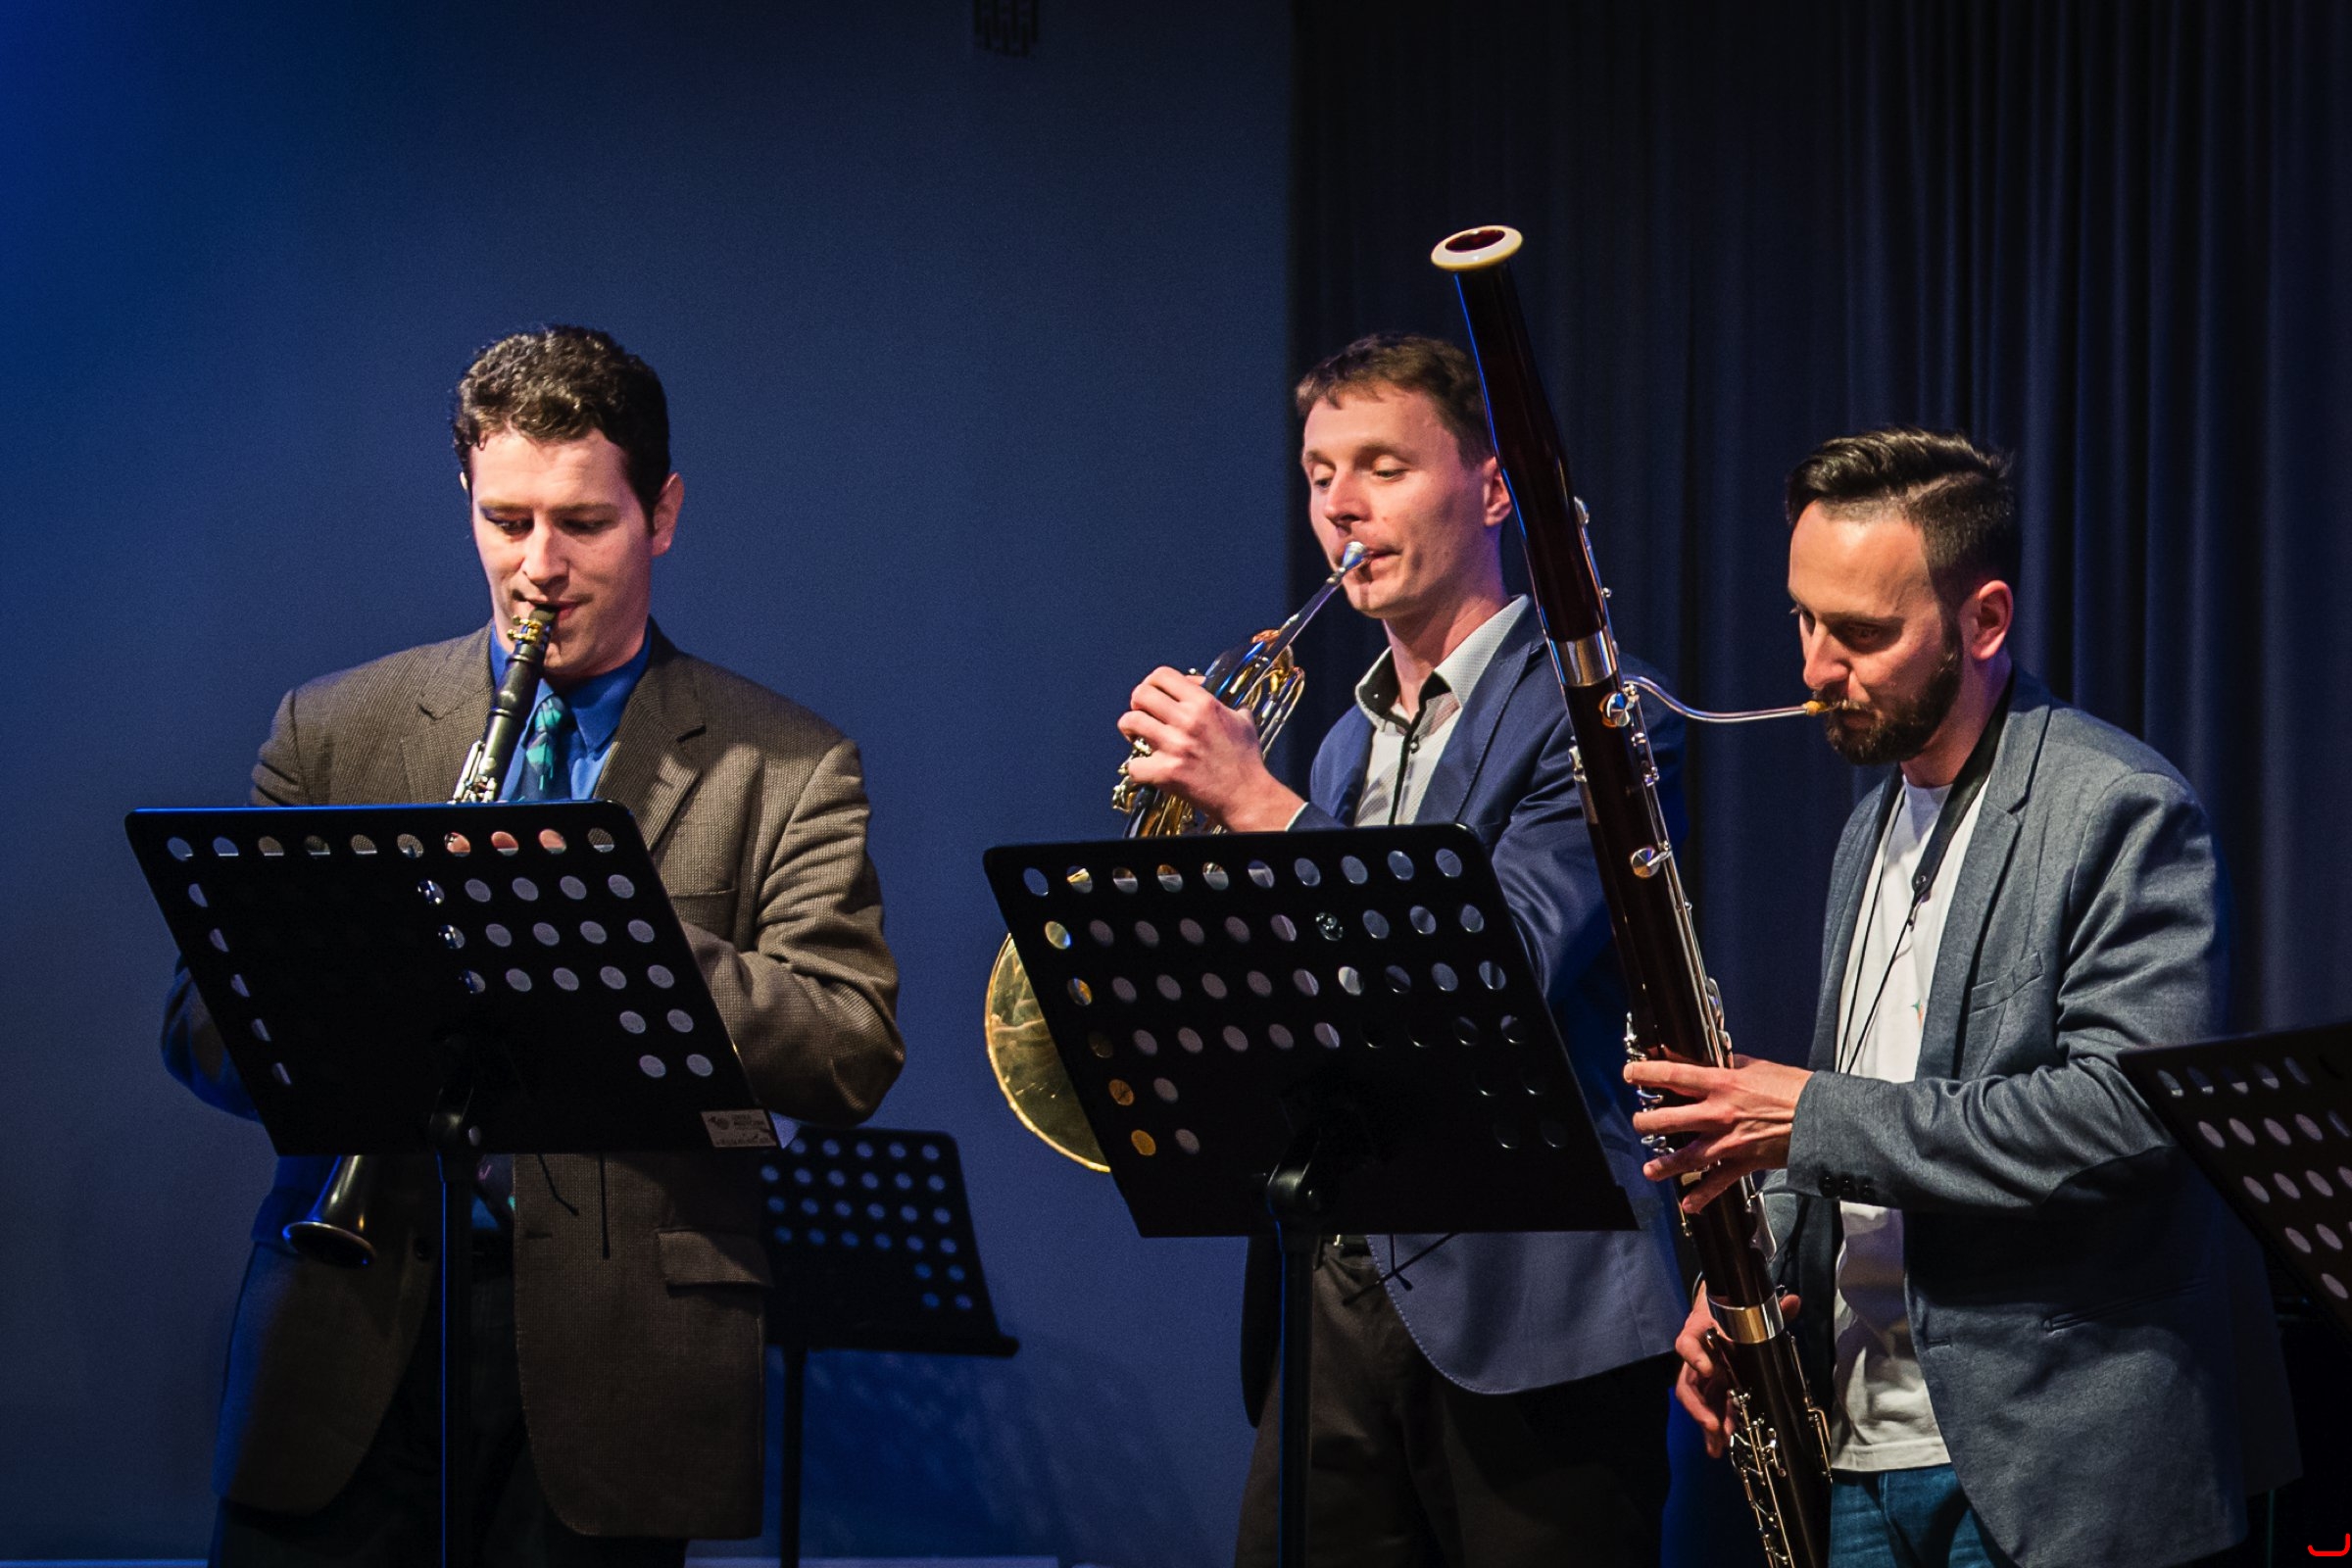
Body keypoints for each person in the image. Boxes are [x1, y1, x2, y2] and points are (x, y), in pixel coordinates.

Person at [163, 325, 905, 1565]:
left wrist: (607, 926)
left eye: (583, 524)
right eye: (505, 521)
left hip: (619, 1363)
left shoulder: (790, 762)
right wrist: (355, 971)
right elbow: (198, 1025)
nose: (538, 567)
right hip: (346, 1328)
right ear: (467, 496)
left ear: (662, 515)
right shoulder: (332, 730)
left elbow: (851, 1046)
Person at [1623, 428, 2297, 1568]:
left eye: (1862, 633)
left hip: (2054, 1461)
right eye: (1804, 620)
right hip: (1864, 1444)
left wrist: (1807, 1115)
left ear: (1984, 620)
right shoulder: (1869, 828)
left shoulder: (2119, 806)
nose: (1815, 669)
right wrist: (1754, 1278)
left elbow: (2125, 1121)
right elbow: (1862, 1109)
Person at [1119, 332, 1687, 1568]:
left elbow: (1504, 962)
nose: (1342, 506)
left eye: (1383, 466)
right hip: (1334, 1294)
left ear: (1492, 490)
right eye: (1320, 474)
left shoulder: (1601, 716)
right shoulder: (1342, 747)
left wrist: (1264, 812)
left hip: (1534, 1314)